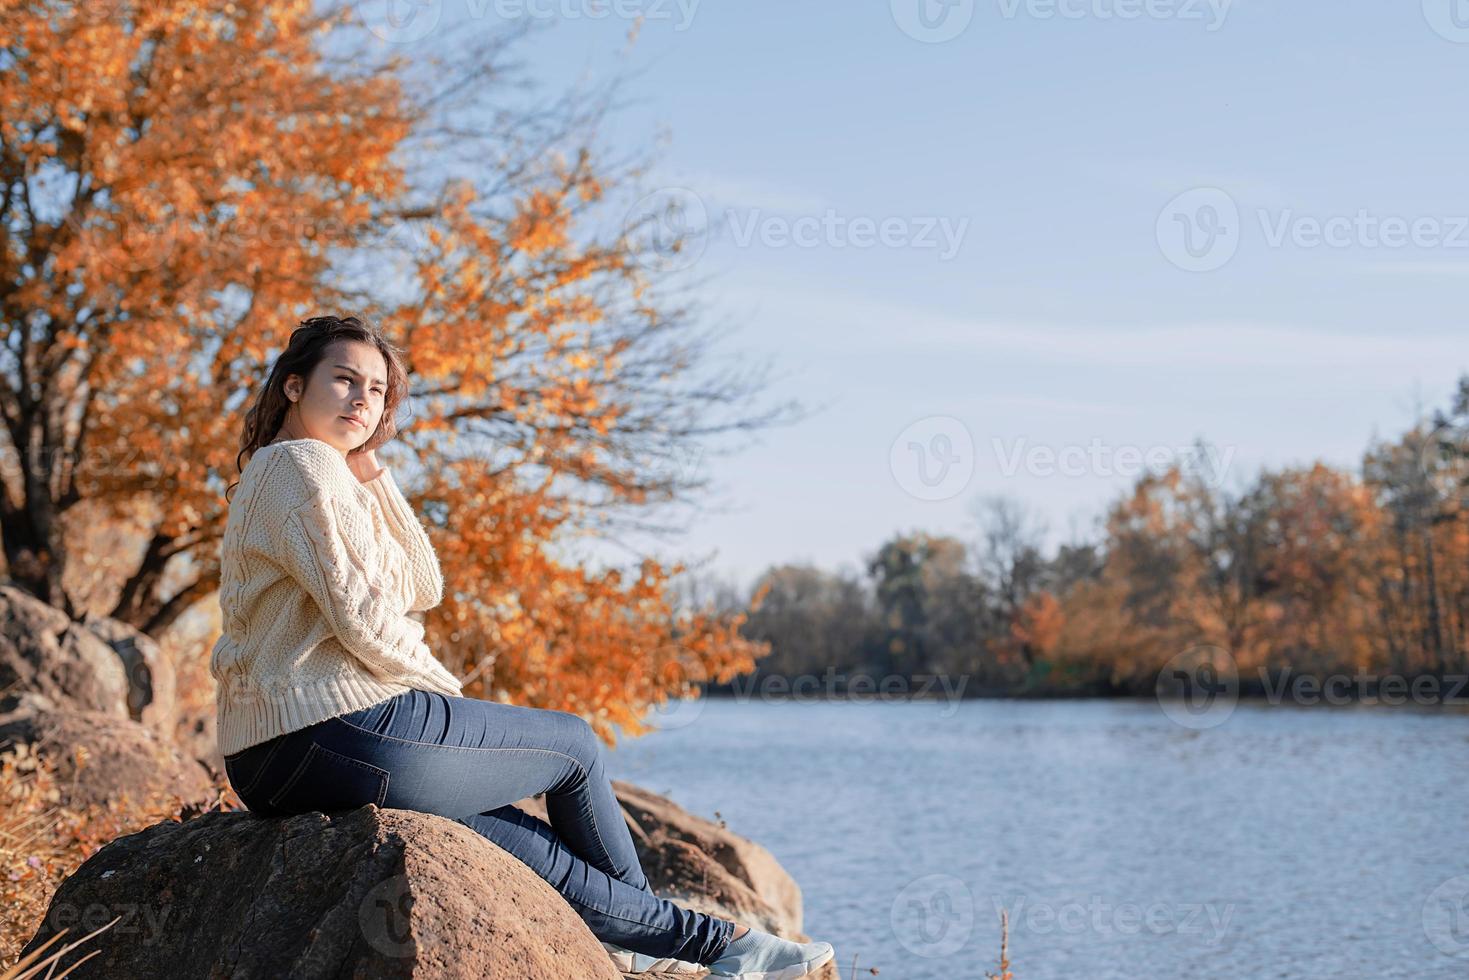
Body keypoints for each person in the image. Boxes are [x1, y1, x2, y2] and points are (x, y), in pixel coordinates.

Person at [210, 314, 834, 979]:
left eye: (377, 390)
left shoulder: (301, 473)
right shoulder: (304, 466)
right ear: (293, 386)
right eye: (343, 380)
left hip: (268, 760)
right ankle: (703, 944)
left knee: (514, 837)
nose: (363, 400)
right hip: (338, 729)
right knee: (571, 746)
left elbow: (421, 583)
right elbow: (364, 615)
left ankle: (712, 948)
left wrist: (373, 478)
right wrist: (436, 687)